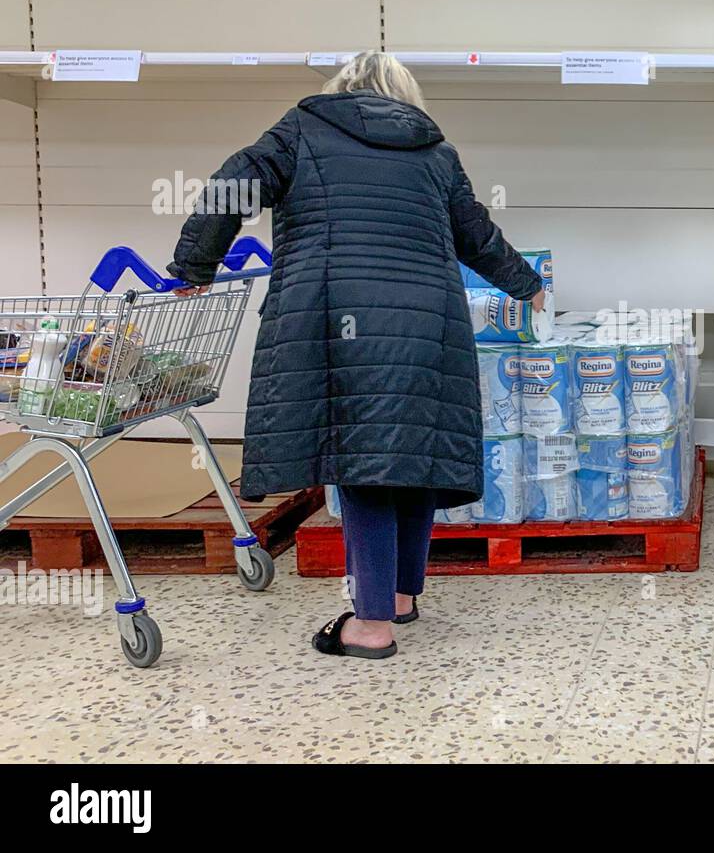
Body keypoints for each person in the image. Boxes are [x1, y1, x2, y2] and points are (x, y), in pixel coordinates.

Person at [168, 50, 545, 659]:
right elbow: (475, 232)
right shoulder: (434, 151)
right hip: (430, 321)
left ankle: (370, 626)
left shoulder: (302, 129)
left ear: (340, 88)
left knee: (366, 461)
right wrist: (527, 283)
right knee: (410, 453)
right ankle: (397, 597)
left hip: (336, 315)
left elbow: (231, 187)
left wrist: (193, 266)